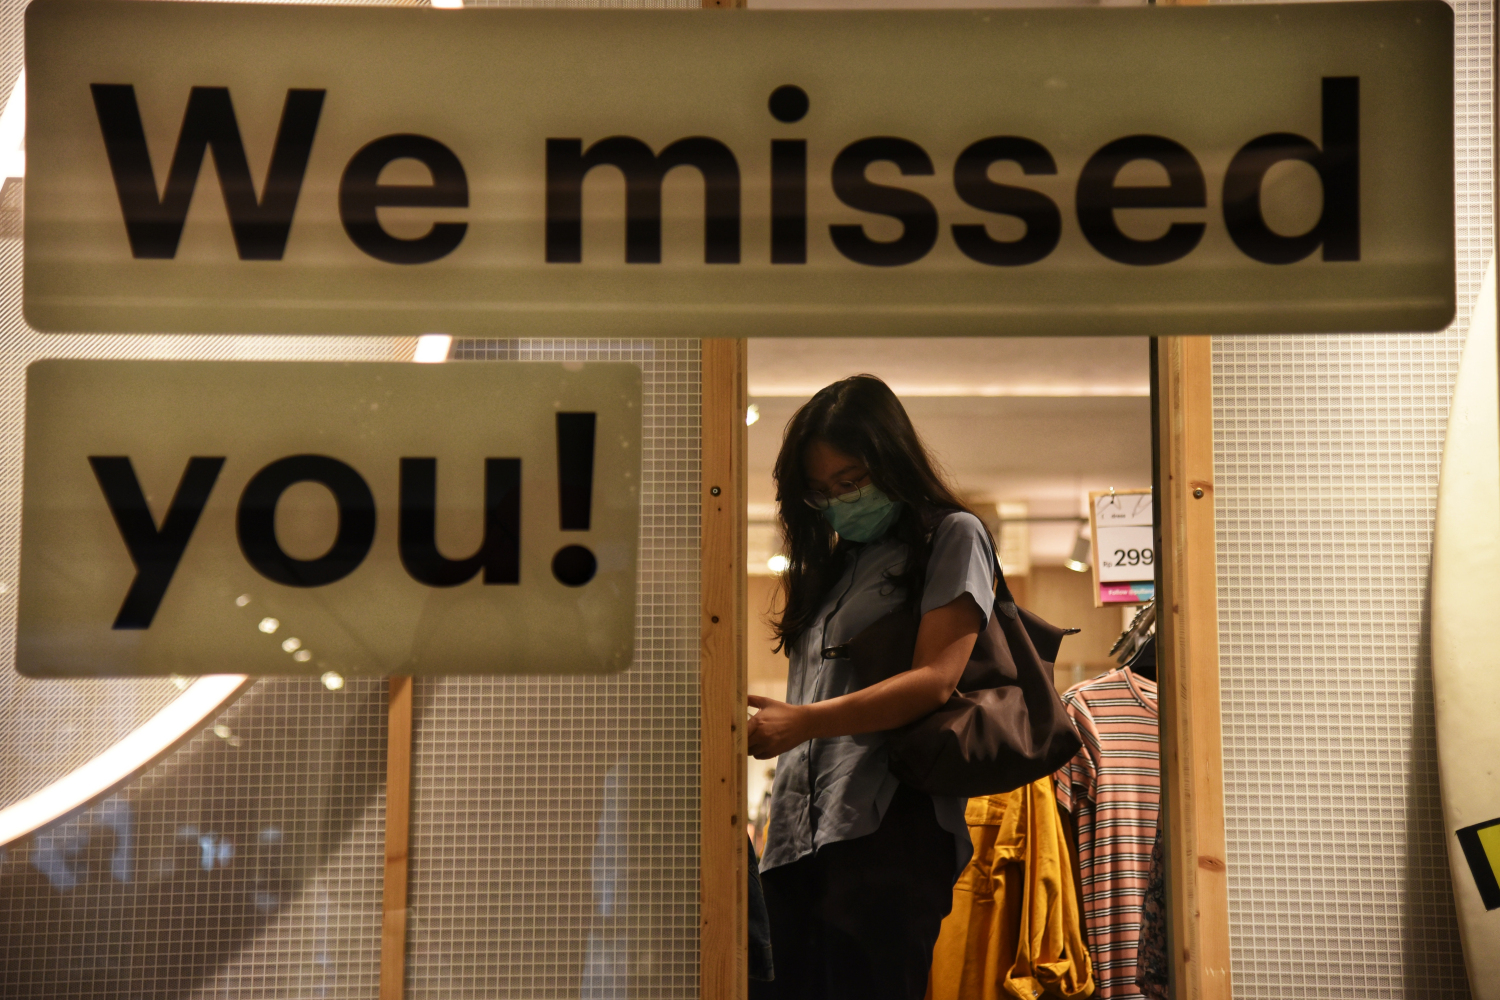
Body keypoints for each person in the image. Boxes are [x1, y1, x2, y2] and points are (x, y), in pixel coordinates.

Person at [748, 374, 998, 1000]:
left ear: (891, 460)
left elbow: (936, 679)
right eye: (820, 491)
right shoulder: (834, 565)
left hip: (886, 826)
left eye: (851, 481)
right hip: (796, 834)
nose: (837, 501)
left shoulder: (952, 535)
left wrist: (801, 723)